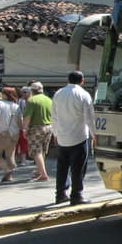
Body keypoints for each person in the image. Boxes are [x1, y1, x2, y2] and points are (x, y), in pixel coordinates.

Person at [52, 71, 97, 205]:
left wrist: (55, 133)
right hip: (79, 136)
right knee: (78, 168)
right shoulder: (83, 94)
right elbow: (89, 118)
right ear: (82, 81)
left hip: (62, 136)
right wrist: (94, 134)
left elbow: (54, 116)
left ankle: (60, 193)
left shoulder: (58, 93)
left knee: (62, 167)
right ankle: (76, 195)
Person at [23, 81, 53, 182]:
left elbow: (27, 117)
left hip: (36, 127)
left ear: (32, 90)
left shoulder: (32, 100)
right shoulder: (49, 100)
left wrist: (24, 128)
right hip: (49, 126)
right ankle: (39, 171)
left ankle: (43, 175)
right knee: (43, 151)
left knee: (36, 151)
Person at [15, 86, 31, 166]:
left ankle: (21, 159)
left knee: (23, 143)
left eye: (25, 92)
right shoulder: (21, 101)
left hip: (24, 124)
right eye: (23, 92)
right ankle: (20, 159)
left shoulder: (29, 101)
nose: (23, 93)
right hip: (22, 124)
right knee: (22, 142)